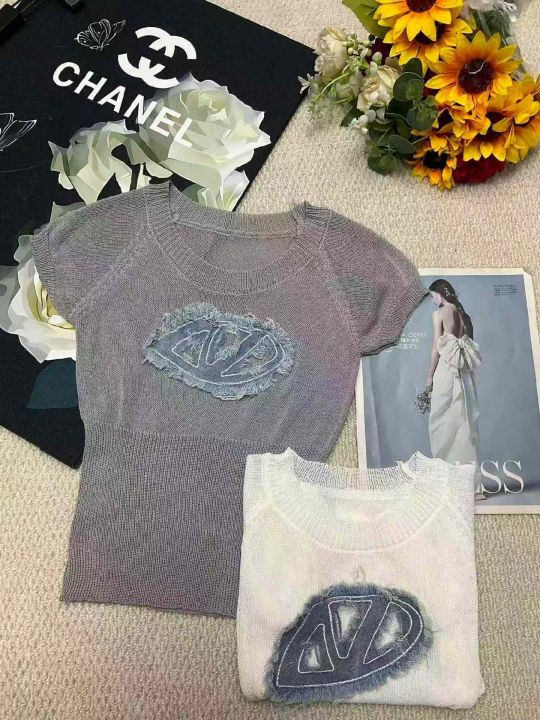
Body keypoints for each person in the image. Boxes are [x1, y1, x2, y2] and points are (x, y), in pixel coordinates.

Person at [426, 279, 481, 465]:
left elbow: (436, 349)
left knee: (439, 417)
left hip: (445, 369)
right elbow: (469, 346)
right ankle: (463, 470)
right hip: (464, 372)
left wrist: (429, 377)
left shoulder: (439, 314)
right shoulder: (465, 316)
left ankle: (446, 468)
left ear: (440, 294)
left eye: (433, 296)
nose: (433, 300)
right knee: (462, 418)